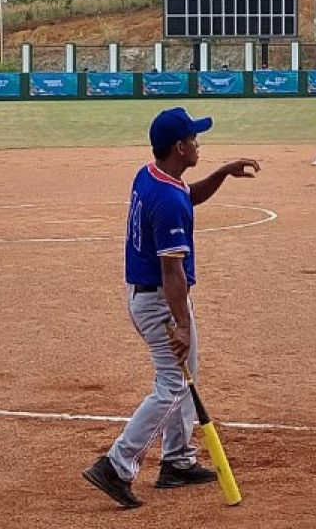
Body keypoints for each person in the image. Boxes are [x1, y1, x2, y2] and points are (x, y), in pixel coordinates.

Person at [83, 107, 259, 509]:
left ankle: (177, 461)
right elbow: (172, 269)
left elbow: (187, 196)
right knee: (174, 384)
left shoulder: (152, 175)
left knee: (186, 376)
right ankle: (117, 464)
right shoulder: (167, 198)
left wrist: (222, 173)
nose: (199, 144)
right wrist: (180, 324)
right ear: (180, 147)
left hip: (151, 295)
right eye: (194, 139)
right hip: (159, 300)